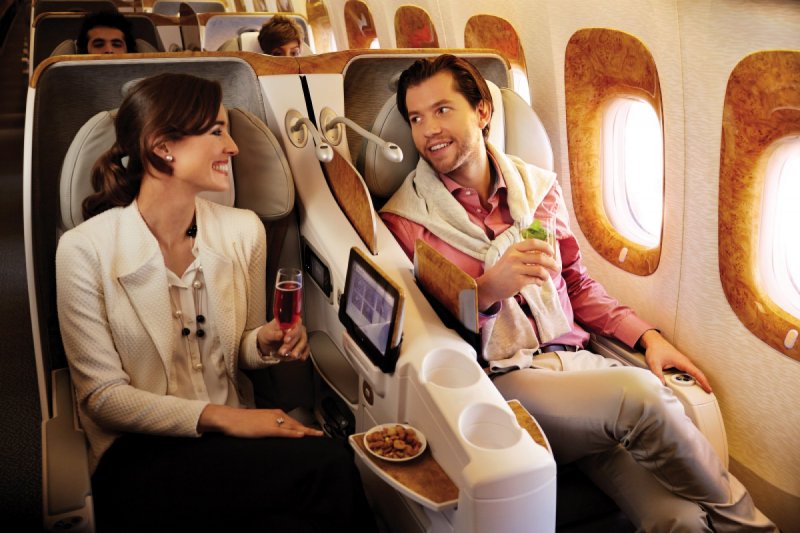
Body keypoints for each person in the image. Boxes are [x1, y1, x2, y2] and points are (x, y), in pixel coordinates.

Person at [380, 54, 777, 532]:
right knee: (641, 396)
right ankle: (751, 526)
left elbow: (575, 282)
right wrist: (485, 292)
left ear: (482, 111)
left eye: (442, 110)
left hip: (579, 369)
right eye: (416, 118)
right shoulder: (406, 220)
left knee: (680, 520)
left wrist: (647, 336)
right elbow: (425, 336)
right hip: (505, 383)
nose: (428, 130)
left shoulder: (537, 190)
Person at [56, 73, 376, 532]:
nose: (233, 147)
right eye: (216, 131)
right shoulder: (84, 250)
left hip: (233, 438)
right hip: (140, 450)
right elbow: (103, 399)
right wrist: (226, 420)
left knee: (332, 465)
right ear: (163, 147)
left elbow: (240, 347)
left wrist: (265, 342)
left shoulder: (243, 231)